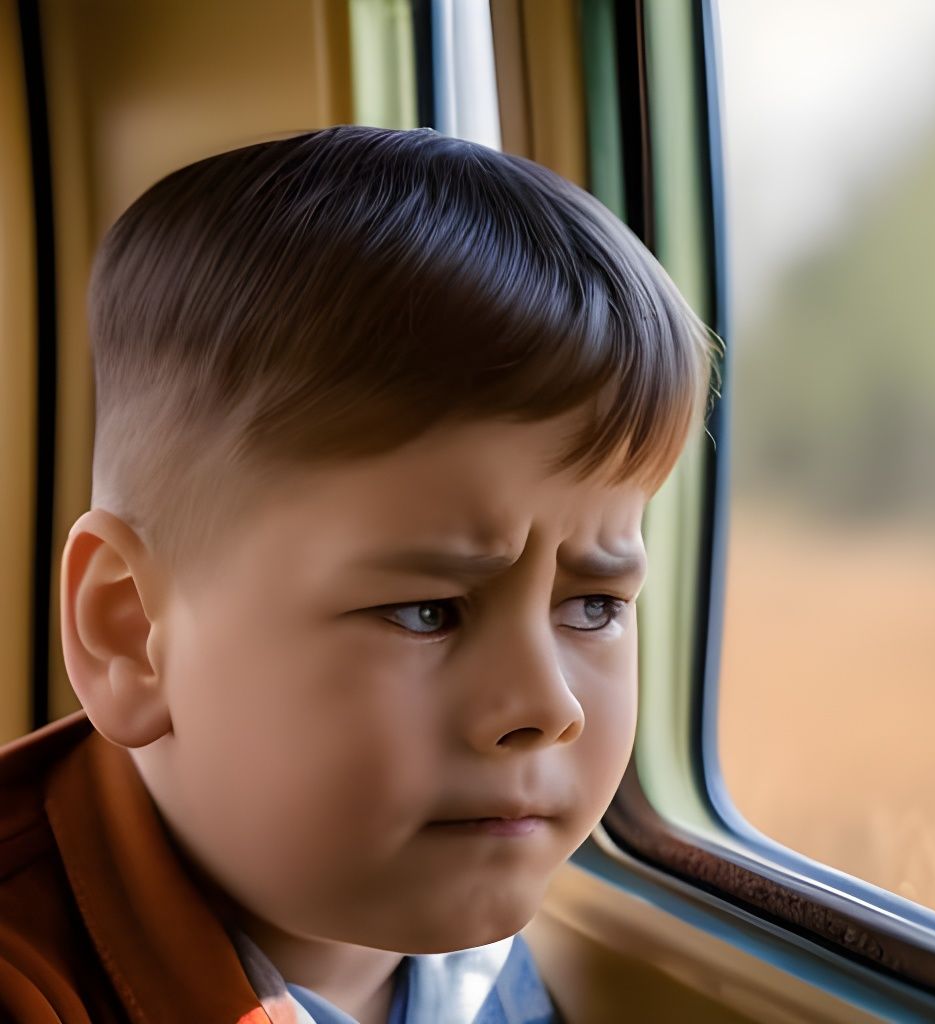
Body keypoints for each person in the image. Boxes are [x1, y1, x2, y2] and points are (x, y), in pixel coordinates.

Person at [0, 125, 712, 1024]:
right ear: (132, 633)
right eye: (427, 611)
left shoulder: (484, 958)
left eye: (595, 606)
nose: (547, 707)